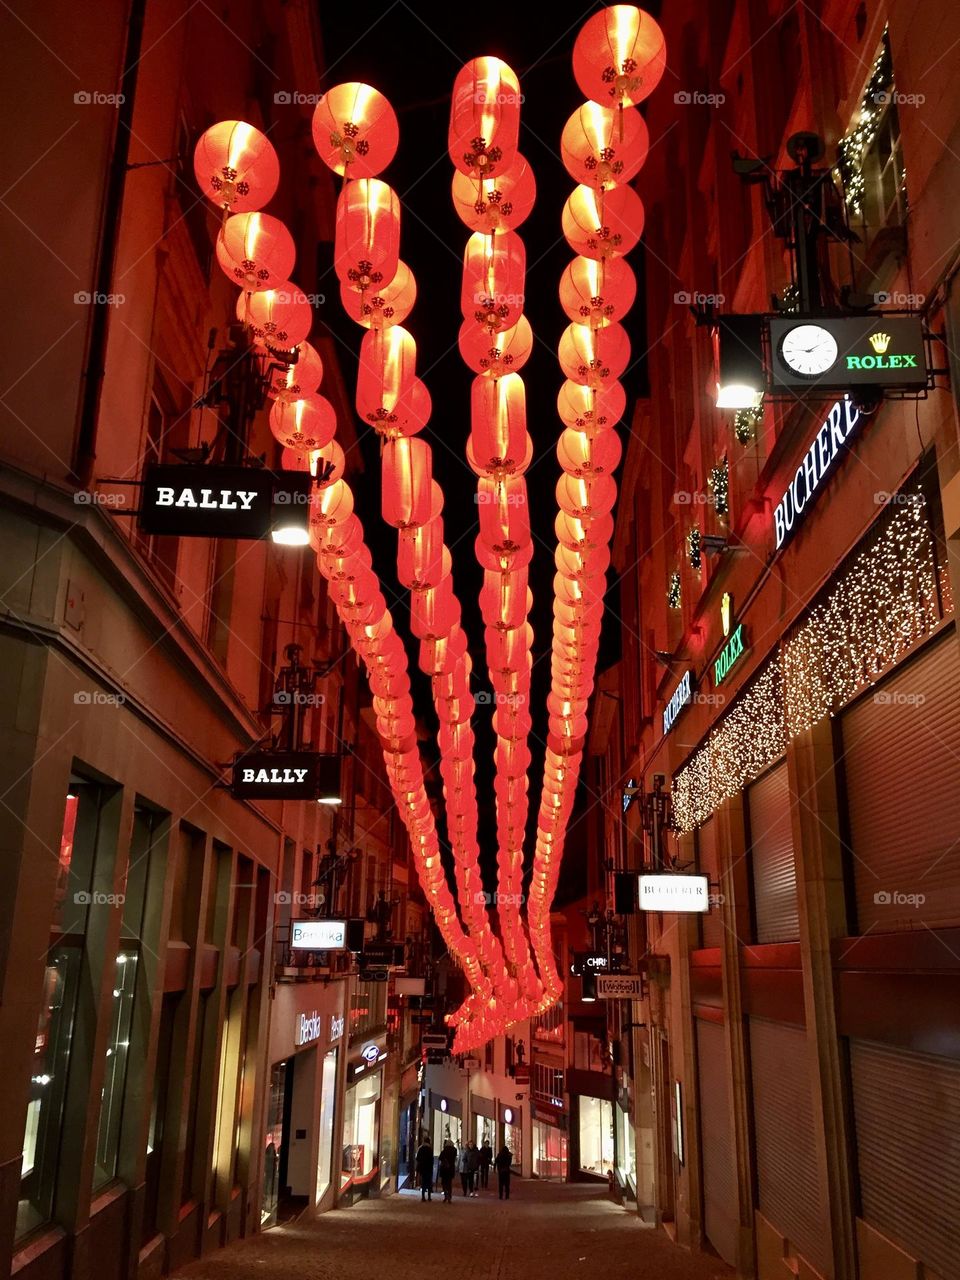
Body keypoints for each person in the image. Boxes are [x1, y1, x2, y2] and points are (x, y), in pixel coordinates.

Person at [414, 1136, 434, 1201]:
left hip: (422, 1168)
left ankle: (423, 1196)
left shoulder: (420, 1148)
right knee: (429, 1182)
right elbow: (431, 1159)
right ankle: (429, 1196)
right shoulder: (430, 1149)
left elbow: (417, 1158)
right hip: (429, 1168)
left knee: (423, 1181)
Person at [438, 1138, 457, 1203]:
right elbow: (454, 1159)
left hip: (444, 1169)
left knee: (444, 1183)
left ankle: (446, 1195)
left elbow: (440, 1158)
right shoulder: (454, 1150)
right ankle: (449, 1196)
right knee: (449, 1183)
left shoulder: (444, 1150)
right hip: (451, 1168)